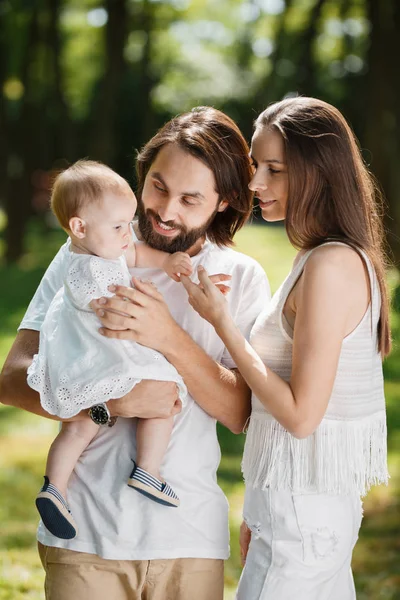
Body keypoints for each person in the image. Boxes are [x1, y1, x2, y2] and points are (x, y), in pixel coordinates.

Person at [0, 106, 270, 600]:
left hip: (188, 536)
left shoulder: (243, 277)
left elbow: (241, 412)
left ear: (225, 201)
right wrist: (110, 405)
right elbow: (13, 378)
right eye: (158, 186)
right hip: (84, 534)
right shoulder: (87, 252)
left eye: (191, 199)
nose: (166, 211)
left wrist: (167, 336)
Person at [180, 97, 390, 600]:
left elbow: (300, 415)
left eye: (275, 169)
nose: (256, 184)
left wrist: (223, 325)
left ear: (319, 172)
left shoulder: (331, 266)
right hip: (297, 515)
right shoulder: (318, 256)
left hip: (302, 524)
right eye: (257, 165)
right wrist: (262, 508)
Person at [29, 159, 201, 541]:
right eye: (120, 226)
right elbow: (106, 306)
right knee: (168, 391)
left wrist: (168, 260)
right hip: (104, 356)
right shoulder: (84, 270)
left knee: (75, 431)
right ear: (79, 226)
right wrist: (136, 298)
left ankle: (54, 488)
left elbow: (136, 255)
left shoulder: (100, 250)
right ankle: (149, 470)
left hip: (87, 362)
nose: (129, 234)